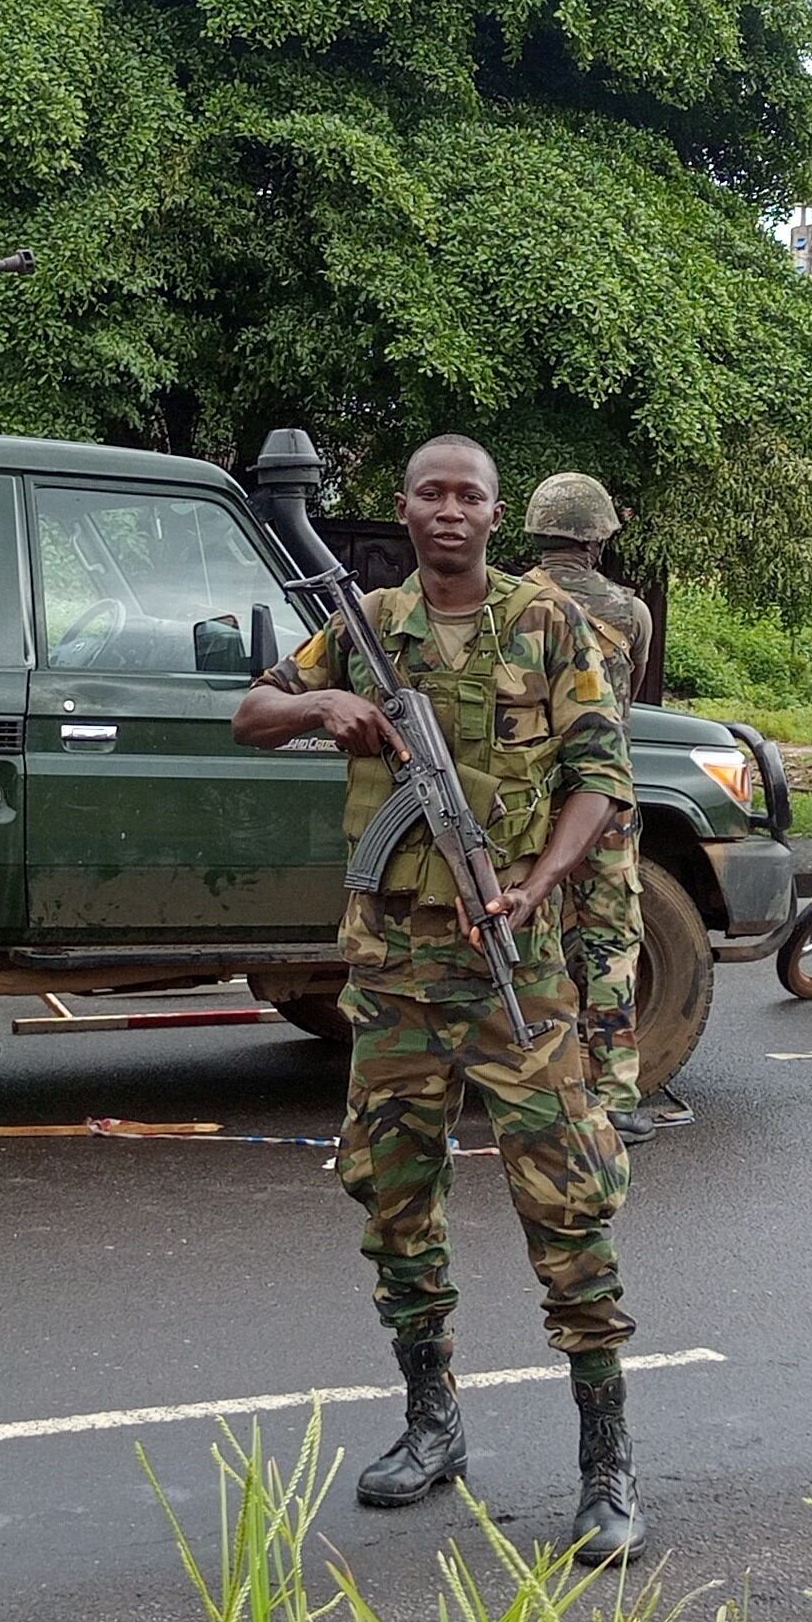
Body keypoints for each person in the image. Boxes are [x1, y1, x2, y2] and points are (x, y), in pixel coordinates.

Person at [233, 436, 648, 1565]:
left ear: (496, 512)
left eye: (470, 495)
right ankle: (432, 1423)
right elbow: (246, 715)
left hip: (517, 967)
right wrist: (326, 705)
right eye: (432, 494)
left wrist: (536, 883)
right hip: (394, 975)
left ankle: (606, 1466)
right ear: (406, 510)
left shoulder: (547, 624)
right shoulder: (370, 626)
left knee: (567, 1208)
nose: (450, 512)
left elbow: (602, 779)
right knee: (394, 1202)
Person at [515, 471, 691, 1142]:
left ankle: (540, 1089)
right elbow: (627, 700)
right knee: (612, 942)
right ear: (597, 538)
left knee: (537, 941)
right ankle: (613, 1096)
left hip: (531, 802)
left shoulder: (510, 603)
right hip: (606, 800)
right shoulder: (630, 612)